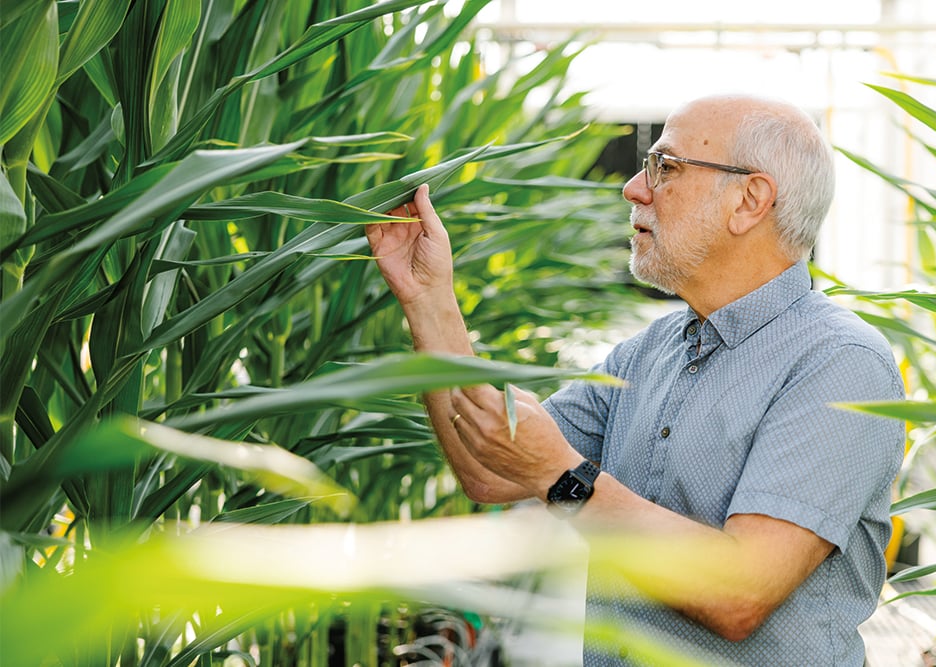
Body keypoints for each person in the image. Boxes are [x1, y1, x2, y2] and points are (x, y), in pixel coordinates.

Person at [366, 94, 906, 666]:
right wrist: (428, 299)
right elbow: (489, 467)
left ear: (750, 201)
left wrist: (563, 476)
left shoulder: (839, 364)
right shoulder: (648, 353)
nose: (634, 188)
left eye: (664, 167)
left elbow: (741, 592)